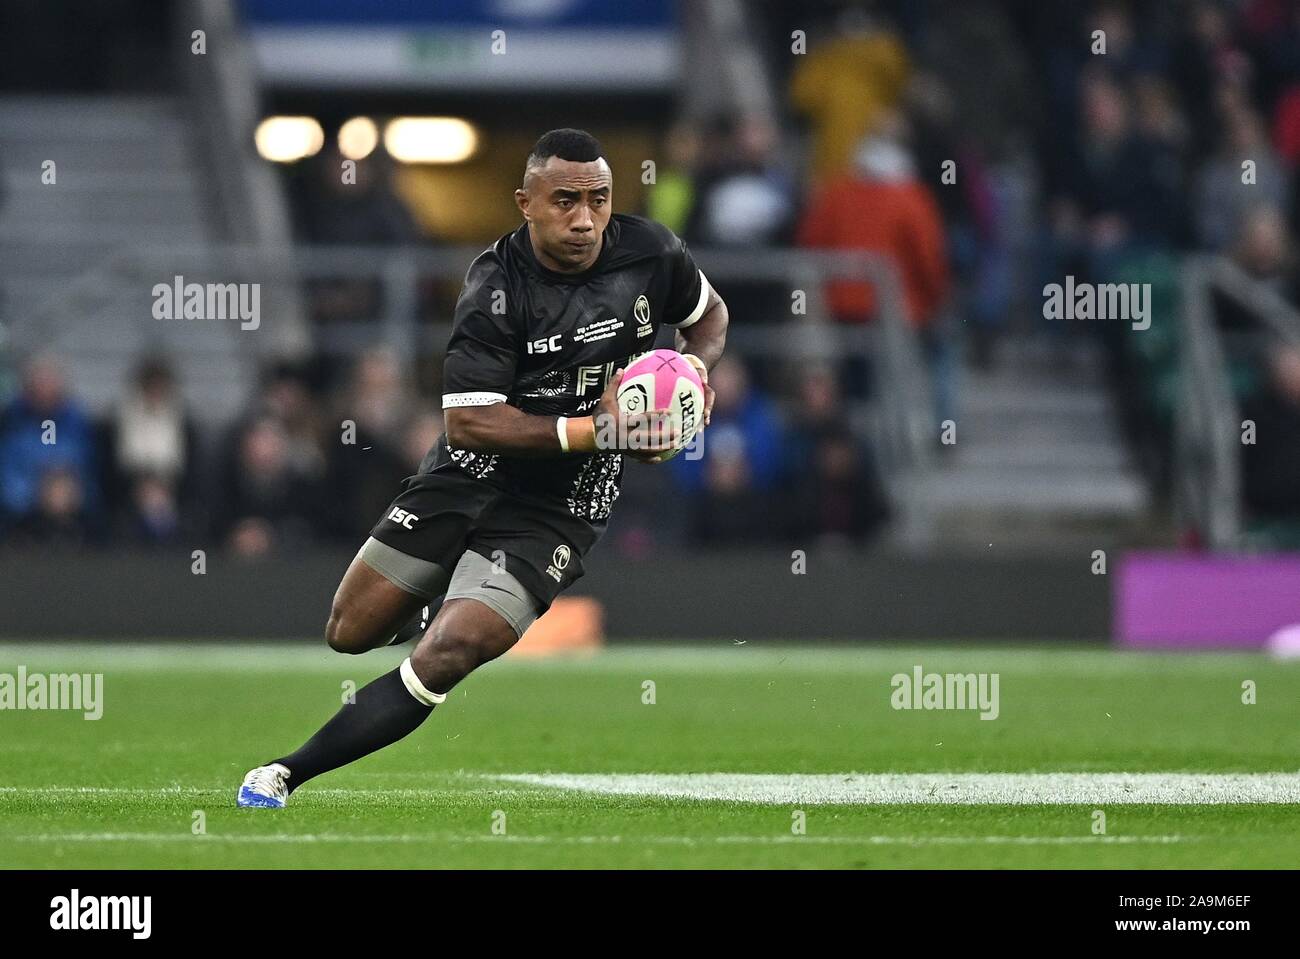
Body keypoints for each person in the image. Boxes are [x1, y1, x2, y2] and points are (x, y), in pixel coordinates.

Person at [237, 129, 729, 807]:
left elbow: (710, 318)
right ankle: (450, 596)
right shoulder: (494, 286)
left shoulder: (652, 251)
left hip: (558, 508)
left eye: (599, 200)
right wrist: (599, 429)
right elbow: (468, 421)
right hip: (469, 472)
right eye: (564, 201)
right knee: (349, 631)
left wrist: (693, 377)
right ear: (525, 201)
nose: (585, 219)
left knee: (448, 651)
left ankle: (284, 772)